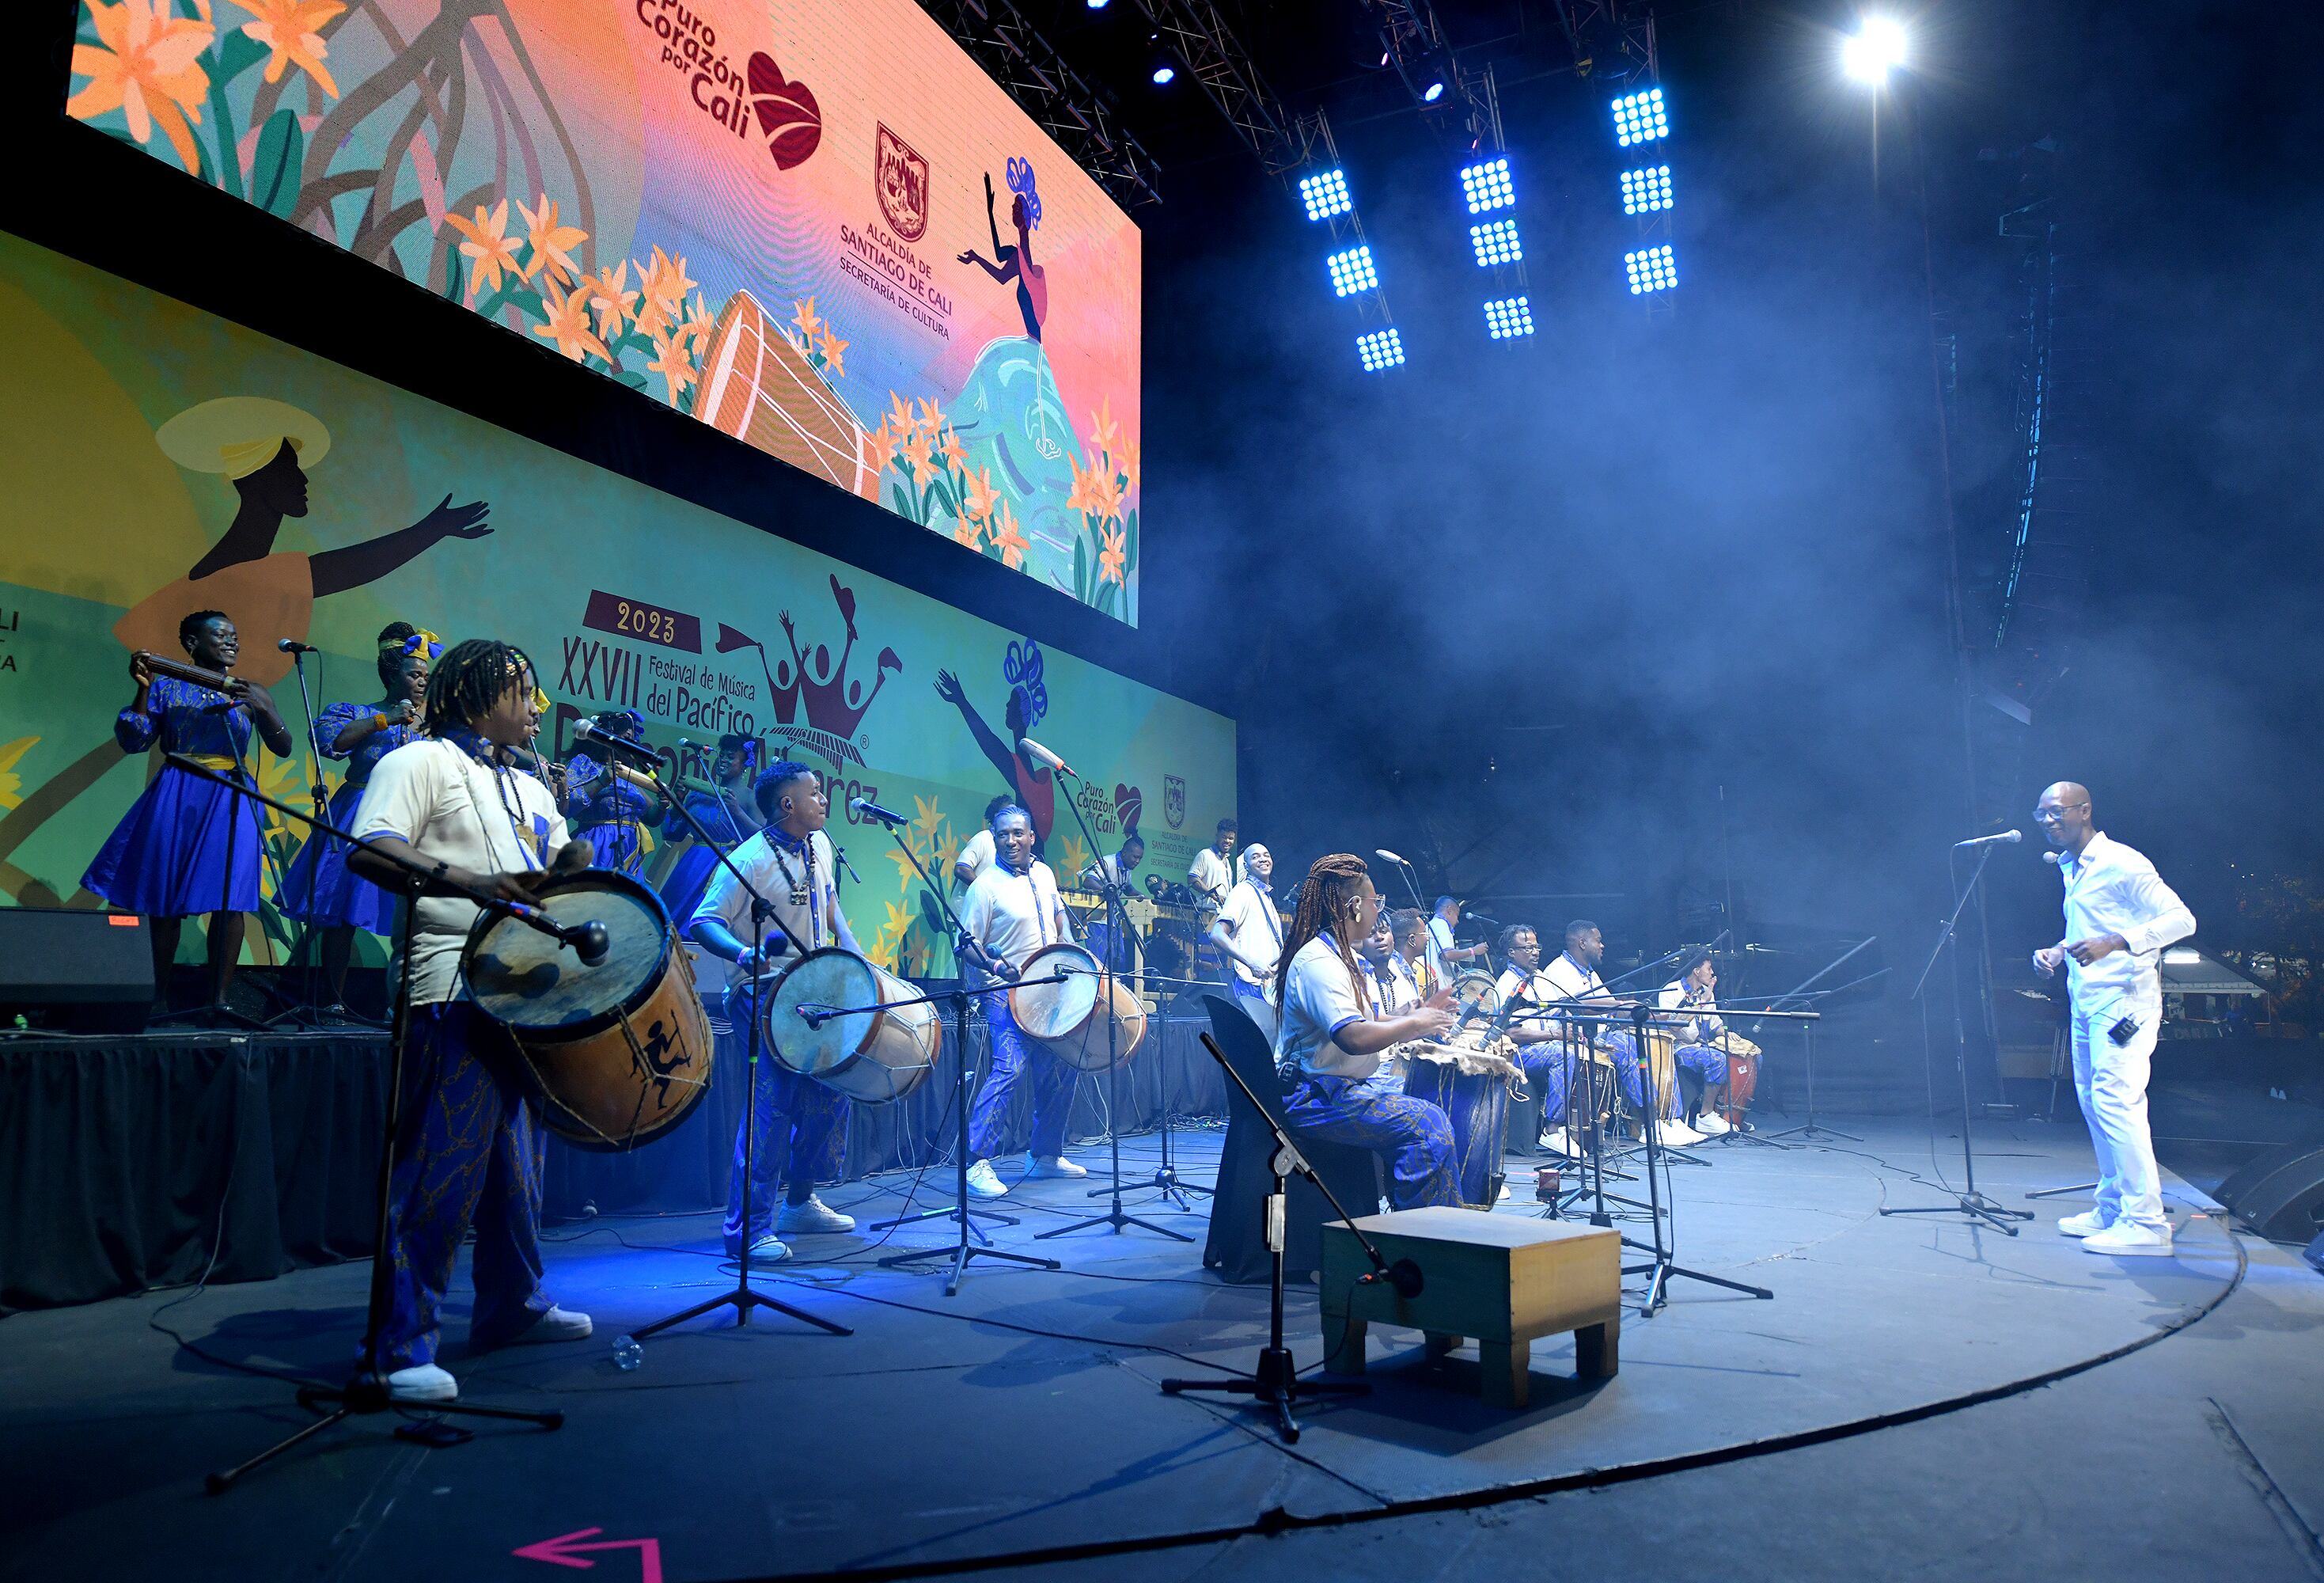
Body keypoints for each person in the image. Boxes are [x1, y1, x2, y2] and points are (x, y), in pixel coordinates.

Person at [347, 639, 594, 1403]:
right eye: (521, 691)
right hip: (450, 986)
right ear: (478, 693)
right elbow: (370, 849)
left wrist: (574, 854)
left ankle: (512, 1305)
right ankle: (399, 1346)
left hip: (524, 993)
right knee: (442, 1166)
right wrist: (475, 884)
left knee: (515, 1168)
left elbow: (559, 867)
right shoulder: (415, 762)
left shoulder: (527, 783)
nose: (535, 708)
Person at [688, 761, 862, 1261]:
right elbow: (704, 921)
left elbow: (829, 906)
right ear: (788, 804)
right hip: (761, 995)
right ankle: (747, 1229)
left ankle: (800, 1202)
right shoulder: (748, 860)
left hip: (816, 994)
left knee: (832, 1095)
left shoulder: (820, 845)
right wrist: (744, 955)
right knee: (772, 1106)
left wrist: (853, 955)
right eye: (814, 792)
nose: (824, 798)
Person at [84, 610, 294, 1014]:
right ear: (193, 643)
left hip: (232, 794)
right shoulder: (167, 685)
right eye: (220, 635)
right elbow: (134, 740)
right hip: (180, 791)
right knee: (167, 899)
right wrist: (143, 690)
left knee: (231, 899)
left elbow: (283, 746)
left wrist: (264, 709)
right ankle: (158, 998)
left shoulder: (252, 691)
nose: (232, 641)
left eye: (235, 635)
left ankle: (219, 1001)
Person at [2033, 781, 2197, 1257]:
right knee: (2094, 1104)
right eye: (2040, 814)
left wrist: (2117, 941)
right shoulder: (2071, 867)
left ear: (2084, 811)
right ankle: (2113, 1208)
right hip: (2086, 1001)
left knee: (2117, 1102)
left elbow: (2182, 920)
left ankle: (2146, 1223)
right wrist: (2059, 952)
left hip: (2124, 1005)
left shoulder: (2123, 862)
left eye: (2057, 812)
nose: (2048, 821)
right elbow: (2088, 929)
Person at [1272, 853, 1463, 1211]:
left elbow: (1366, 1024)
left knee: (1431, 1099)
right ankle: (1424, 1241)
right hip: (1314, 1097)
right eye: (1377, 902)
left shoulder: (1340, 957)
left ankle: (1418, 1220)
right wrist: (1415, 1025)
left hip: (1335, 1088)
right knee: (1428, 1124)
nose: (1379, 911)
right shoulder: (1320, 963)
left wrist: (1411, 1016)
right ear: (1356, 906)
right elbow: (1354, 1038)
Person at [281, 623, 438, 1012]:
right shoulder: (360, 713)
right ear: (391, 675)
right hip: (361, 813)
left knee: (417, 913)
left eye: (425, 676)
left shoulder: (436, 729)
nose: (421, 682)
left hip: (413, 822)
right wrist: (387, 720)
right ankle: (332, 999)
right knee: (345, 910)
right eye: (413, 674)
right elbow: (330, 743)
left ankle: (403, 1004)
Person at [957, 804, 1087, 1198]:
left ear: (1032, 837)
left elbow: (1059, 915)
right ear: (993, 838)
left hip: (1050, 991)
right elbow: (965, 945)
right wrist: (995, 967)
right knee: (1010, 1069)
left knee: (1063, 1069)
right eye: (1002, 834)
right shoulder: (985, 885)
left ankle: (1044, 1155)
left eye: (1018, 833)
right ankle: (976, 1162)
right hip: (1006, 993)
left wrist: (1067, 940)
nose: (1010, 841)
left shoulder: (1045, 873)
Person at [1539, 920, 1700, 1147]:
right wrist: (1620, 1006)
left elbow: (1614, 1007)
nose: (1602, 946)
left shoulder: (1589, 973)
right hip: (1579, 1038)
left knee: (1647, 1042)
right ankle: (1651, 1124)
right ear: (1582, 943)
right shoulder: (1559, 969)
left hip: (1603, 1035)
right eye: (1598, 941)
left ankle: (1670, 1120)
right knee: (1628, 1047)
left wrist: (1656, 1016)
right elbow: (1579, 1005)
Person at [935, 640, 1056, 849]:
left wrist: (962, 703)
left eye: (1012, 703)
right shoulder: (1025, 773)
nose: (1007, 706)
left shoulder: (1026, 777)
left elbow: (989, 743)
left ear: (1020, 713)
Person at [659, 734, 763, 930]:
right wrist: (678, 800)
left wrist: (738, 812)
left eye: (731, 756)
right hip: (693, 863)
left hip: (726, 865)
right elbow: (672, 833)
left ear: (745, 763)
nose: (723, 759)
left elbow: (762, 837)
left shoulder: (750, 798)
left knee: (707, 921)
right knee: (674, 920)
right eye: (722, 755)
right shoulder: (697, 792)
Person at [563, 709, 665, 877]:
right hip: (597, 845)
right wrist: (601, 782)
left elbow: (651, 818)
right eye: (625, 739)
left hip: (629, 848)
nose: (629, 744)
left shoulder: (627, 774)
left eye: (631, 741)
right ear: (607, 736)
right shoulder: (585, 764)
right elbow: (566, 807)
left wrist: (663, 805)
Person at [957, 161, 1049, 343]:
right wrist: (990, 212)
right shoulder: (1018, 253)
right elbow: (999, 254)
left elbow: (1001, 276)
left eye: (1017, 208)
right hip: (1031, 342)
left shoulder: (1022, 256)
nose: (1013, 210)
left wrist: (976, 258)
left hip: (1033, 344)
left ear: (1025, 216)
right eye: (1013, 206)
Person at [1656, 950, 1734, 1137]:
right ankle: (1705, 1116)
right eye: (1709, 968)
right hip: (1679, 1047)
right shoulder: (1671, 991)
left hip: (1701, 1046)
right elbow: (1675, 1026)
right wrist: (1702, 1002)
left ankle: (1734, 1114)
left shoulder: (1707, 994)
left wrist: (1727, 1033)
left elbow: (1715, 1025)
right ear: (1697, 971)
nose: (1712, 973)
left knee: (1747, 1056)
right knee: (1716, 1059)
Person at [1211, 841, 1284, 1034]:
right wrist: (1252, 963)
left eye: (1266, 854)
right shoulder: (1242, 892)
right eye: (1255, 856)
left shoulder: (1265, 897)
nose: (1262, 859)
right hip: (1252, 986)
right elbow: (1217, 934)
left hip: (1269, 987)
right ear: (1246, 866)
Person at [952, 793, 1017, 890]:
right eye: (1010, 813)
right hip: (969, 904)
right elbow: (961, 869)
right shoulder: (983, 839)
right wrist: (984, 892)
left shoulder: (1011, 846)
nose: (1015, 817)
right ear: (997, 817)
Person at [1427, 896, 1488, 982]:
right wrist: (1473, 951)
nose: (1457, 921)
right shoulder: (1441, 925)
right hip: (1440, 987)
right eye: (1457, 915)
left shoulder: (1433, 925)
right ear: (1449, 910)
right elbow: (1447, 954)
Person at [1389, 909, 1439, 1002]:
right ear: (1412, 940)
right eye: (1424, 933)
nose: (1427, 938)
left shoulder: (1405, 968)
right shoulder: (1393, 974)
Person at [1189, 817, 1238, 909]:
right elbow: (1192, 879)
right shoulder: (1205, 855)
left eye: (1231, 838)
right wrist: (1213, 895)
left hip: (1222, 913)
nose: (1227, 841)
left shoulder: (1227, 862)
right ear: (1217, 836)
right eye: (1224, 837)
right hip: (1206, 913)